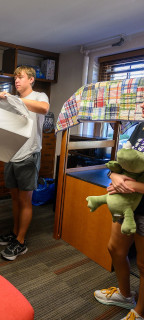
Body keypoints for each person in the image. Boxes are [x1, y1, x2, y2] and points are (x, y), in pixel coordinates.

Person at [94, 102, 144, 320]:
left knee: (143, 264)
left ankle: (140, 311)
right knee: (115, 249)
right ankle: (125, 295)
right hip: (127, 203)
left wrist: (133, 186)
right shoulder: (139, 127)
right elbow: (121, 163)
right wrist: (114, 176)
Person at [0, 65, 50, 260]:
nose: (16, 81)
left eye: (21, 77)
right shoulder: (11, 99)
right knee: (15, 198)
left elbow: (44, 109)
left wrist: (14, 100)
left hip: (29, 154)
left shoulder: (40, 96)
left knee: (25, 200)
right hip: (11, 153)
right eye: (15, 77)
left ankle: (21, 242)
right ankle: (15, 232)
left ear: (31, 80)